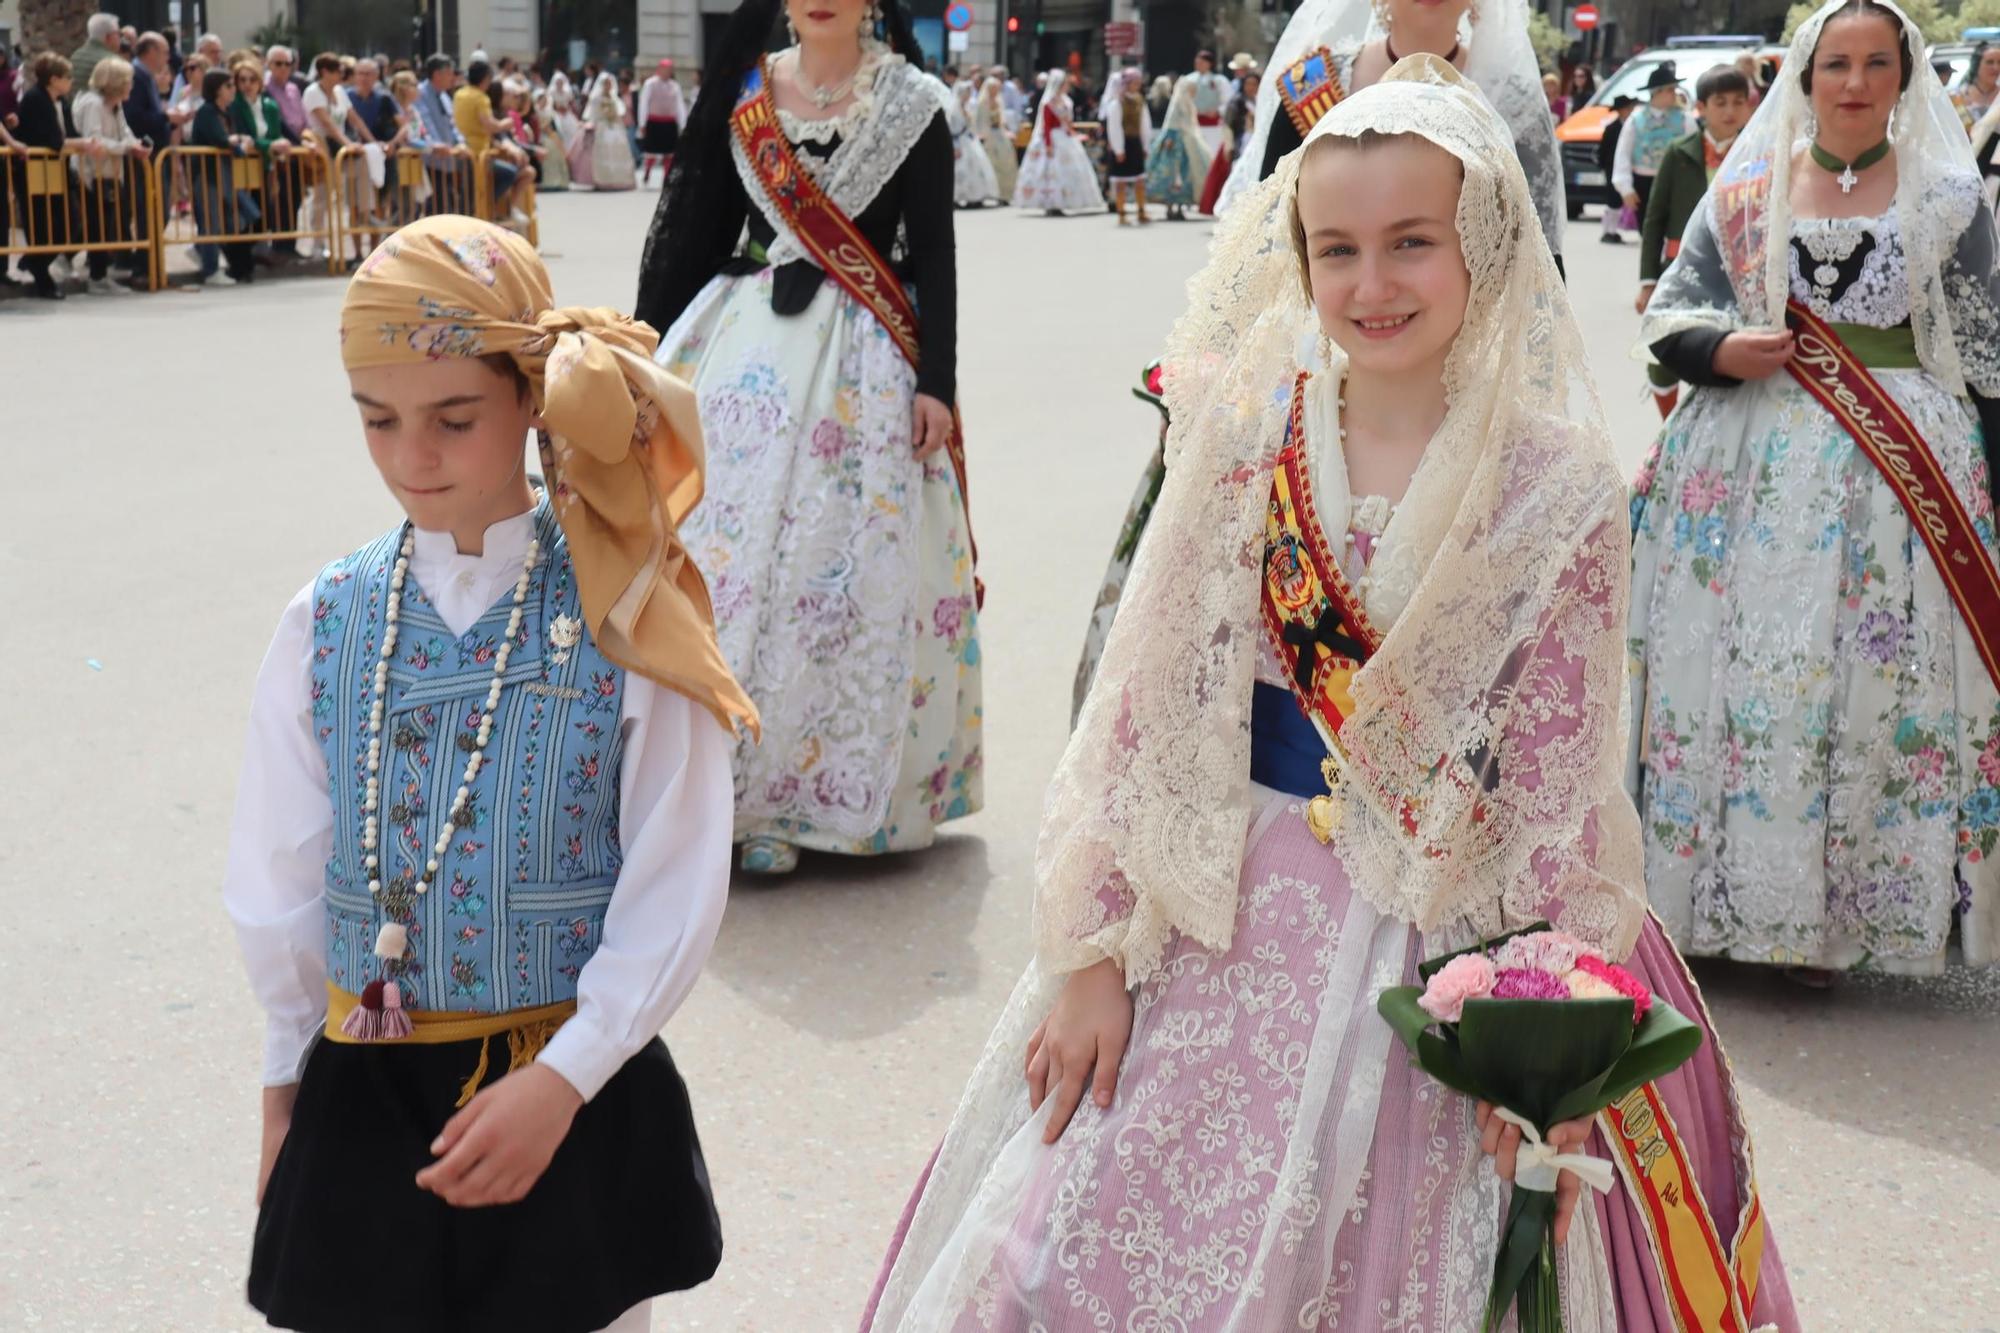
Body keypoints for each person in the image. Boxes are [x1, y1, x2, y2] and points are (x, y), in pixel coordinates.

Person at [861, 57, 1799, 1332]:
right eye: (1335, 248)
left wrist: (1543, 1026)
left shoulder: (1562, 483)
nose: (1369, 284)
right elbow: (1145, 699)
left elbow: (1559, 768)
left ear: (1482, 239)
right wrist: (1091, 949)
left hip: (1449, 917)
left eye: (1410, 242)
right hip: (1216, 900)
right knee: (1070, 1250)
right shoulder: (1250, 435)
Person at [227, 213, 752, 1333]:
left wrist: (567, 1077)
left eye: (452, 419)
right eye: (377, 420)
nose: (411, 456)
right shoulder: (326, 619)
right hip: (364, 1100)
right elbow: (279, 879)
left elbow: (676, 874)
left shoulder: (623, 618)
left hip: (564, 1091)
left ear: (531, 398)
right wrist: (284, 1096)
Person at [1631, 0, 2000, 983]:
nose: (1852, 82)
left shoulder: (1947, 197)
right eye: (1835, 62)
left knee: (1867, 691)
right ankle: (1722, 907)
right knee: (1739, 679)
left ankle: (1837, 928)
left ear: (1901, 75)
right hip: (1740, 469)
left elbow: (1985, 352)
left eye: (1874, 62)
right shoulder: (1746, 186)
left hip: (1898, 485)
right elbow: (1672, 313)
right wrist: (1720, 347)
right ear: (1803, 74)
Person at [635, 0, 981, 876]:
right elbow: (701, 226)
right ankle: (713, 790)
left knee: (842, 572)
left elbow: (934, 253)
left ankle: (817, 800)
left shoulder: (914, 102)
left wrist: (937, 381)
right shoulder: (746, 95)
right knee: (721, 562)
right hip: (746, 354)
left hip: (866, 362)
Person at [1219, 0, 1569, 269]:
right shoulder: (1313, 84)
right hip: (1336, 324)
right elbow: (1267, 235)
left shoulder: (1513, 104)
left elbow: (1540, 254)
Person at [1635, 63, 1752, 417]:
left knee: (1722, 356)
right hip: (1681, 268)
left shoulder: (1758, 151)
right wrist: (1647, 281)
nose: (1730, 111)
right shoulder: (1678, 152)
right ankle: (1669, 426)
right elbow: (1654, 218)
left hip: (1739, 274)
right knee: (1663, 354)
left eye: (1738, 102)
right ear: (1700, 108)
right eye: (1720, 102)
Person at [69, 55, 148, 294]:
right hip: (90, 174)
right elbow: (95, 139)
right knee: (95, 225)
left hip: (110, 173)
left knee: (105, 225)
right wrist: (126, 147)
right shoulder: (93, 103)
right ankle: (94, 276)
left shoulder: (115, 104)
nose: (131, 86)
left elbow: (125, 132)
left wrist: (136, 145)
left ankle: (100, 275)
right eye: (127, 81)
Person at [13, 52, 86, 299]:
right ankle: (41, 275)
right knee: (42, 226)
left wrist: (81, 142)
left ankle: (34, 261)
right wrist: (82, 143)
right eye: (66, 77)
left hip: (59, 169)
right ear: (53, 79)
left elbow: (70, 132)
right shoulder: (35, 100)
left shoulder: (61, 101)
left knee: (72, 222)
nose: (70, 82)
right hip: (35, 170)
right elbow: (52, 140)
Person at [187, 66, 258, 285]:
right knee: (211, 223)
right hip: (208, 176)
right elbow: (220, 139)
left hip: (225, 175)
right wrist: (238, 144)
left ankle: (200, 249)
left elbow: (232, 137)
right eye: (229, 86)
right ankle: (210, 270)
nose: (233, 89)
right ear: (217, 89)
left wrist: (239, 140)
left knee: (242, 217)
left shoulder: (225, 112)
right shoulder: (207, 111)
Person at [1612, 63, 1695, 231]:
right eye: (1670, 90)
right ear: (1658, 92)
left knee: (1674, 230)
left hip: (1674, 183)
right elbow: (1623, 154)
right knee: (1648, 230)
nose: (1675, 94)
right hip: (1644, 183)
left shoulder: (1685, 119)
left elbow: (1694, 152)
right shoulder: (1636, 120)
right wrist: (1625, 188)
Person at [455, 58, 534, 227]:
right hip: (478, 152)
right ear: (485, 79)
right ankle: (490, 209)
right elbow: (490, 125)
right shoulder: (481, 98)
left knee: (469, 193)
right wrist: (507, 123)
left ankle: (482, 212)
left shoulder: (459, 94)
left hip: (466, 149)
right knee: (508, 173)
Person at [1014, 68, 1103, 214]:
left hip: (1065, 137)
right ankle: (1051, 203)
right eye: (1065, 84)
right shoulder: (1049, 103)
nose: (1067, 86)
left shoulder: (1067, 101)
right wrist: (1048, 144)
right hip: (1054, 138)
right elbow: (1047, 126)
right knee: (1052, 171)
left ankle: (1067, 201)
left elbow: (1068, 123)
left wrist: (1074, 133)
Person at [1143, 72, 1210, 219]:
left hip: (1188, 142)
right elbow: (1171, 122)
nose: (1194, 92)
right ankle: (1169, 206)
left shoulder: (1188, 103)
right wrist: (1170, 138)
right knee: (1173, 174)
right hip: (1176, 143)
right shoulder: (1178, 103)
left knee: (1186, 174)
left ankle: (1180, 207)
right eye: (1192, 89)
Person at [1100, 66, 1152, 224]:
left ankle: (1141, 210)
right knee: (1120, 181)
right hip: (1123, 144)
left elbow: (1145, 124)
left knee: (1140, 180)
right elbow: (1114, 127)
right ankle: (1121, 212)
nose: (1137, 85)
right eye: (1134, 82)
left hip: (1135, 143)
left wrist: (1145, 145)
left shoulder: (1139, 100)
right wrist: (1118, 149)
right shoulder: (1117, 103)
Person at [942, 69, 998, 206]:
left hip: (969, 140)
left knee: (975, 168)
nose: (968, 95)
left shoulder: (967, 107)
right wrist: (954, 146)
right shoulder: (953, 111)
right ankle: (956, 197)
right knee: (960, 169)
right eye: (967, 92)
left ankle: (975, 197)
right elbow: (951, 130)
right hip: (959, 142)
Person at [637, 57, 685, 186]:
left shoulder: (675, 86)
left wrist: (683, 124)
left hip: (669, 123)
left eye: (670, 70)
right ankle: (647, 171)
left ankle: (666, 177)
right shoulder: (650, 84)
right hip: (654, 122)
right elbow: (644, 104)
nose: (667, 72)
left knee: (669, 153)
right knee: (651, 151)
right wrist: (642, 123)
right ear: (659, 69)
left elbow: (679, 106)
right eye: (665, 69)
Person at [587, 66, 635, 189]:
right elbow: (594, 113)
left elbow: (620, 111)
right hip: (603, 126)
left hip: (615, 125)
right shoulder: (596, 98)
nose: (608, 86)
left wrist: (614, 117)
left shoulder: (614, 98)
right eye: (606, 83)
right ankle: (603, 180)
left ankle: (620, 179)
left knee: (618, 150)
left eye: (609, 83)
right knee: (604, 151)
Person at [1597, 92, 1636, 241]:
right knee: (1612, 200)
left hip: (1625, 167)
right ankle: (1608, 230)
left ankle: (1613, 230)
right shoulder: (1612, 128)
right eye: (1627, 108)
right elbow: (1604, 149)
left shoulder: (1632, 125)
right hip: (1611, 167)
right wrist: (1603, 165)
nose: (1630, 110)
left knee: (1620, 200)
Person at [972, 75, 1017, 199]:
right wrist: (983, 135)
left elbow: (1002, 119)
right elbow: (980, 121)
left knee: (1006, 162)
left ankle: (1005, 193)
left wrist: (1006, 131)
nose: (996, 90)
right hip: (989, 135)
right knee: (991, 163)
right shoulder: (983, 102)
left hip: (999, 133)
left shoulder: (998, 100)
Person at [69, 13, 120, 99]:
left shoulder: (75, 56)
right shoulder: (113, 62)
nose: (120, 38)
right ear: (108, 37)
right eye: (118, 34)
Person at [1954, 40, 2000, 130]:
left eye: (1999, 62)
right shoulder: (1959, 97)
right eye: (1990, 62)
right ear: (1976, 64)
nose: (1996, 68)